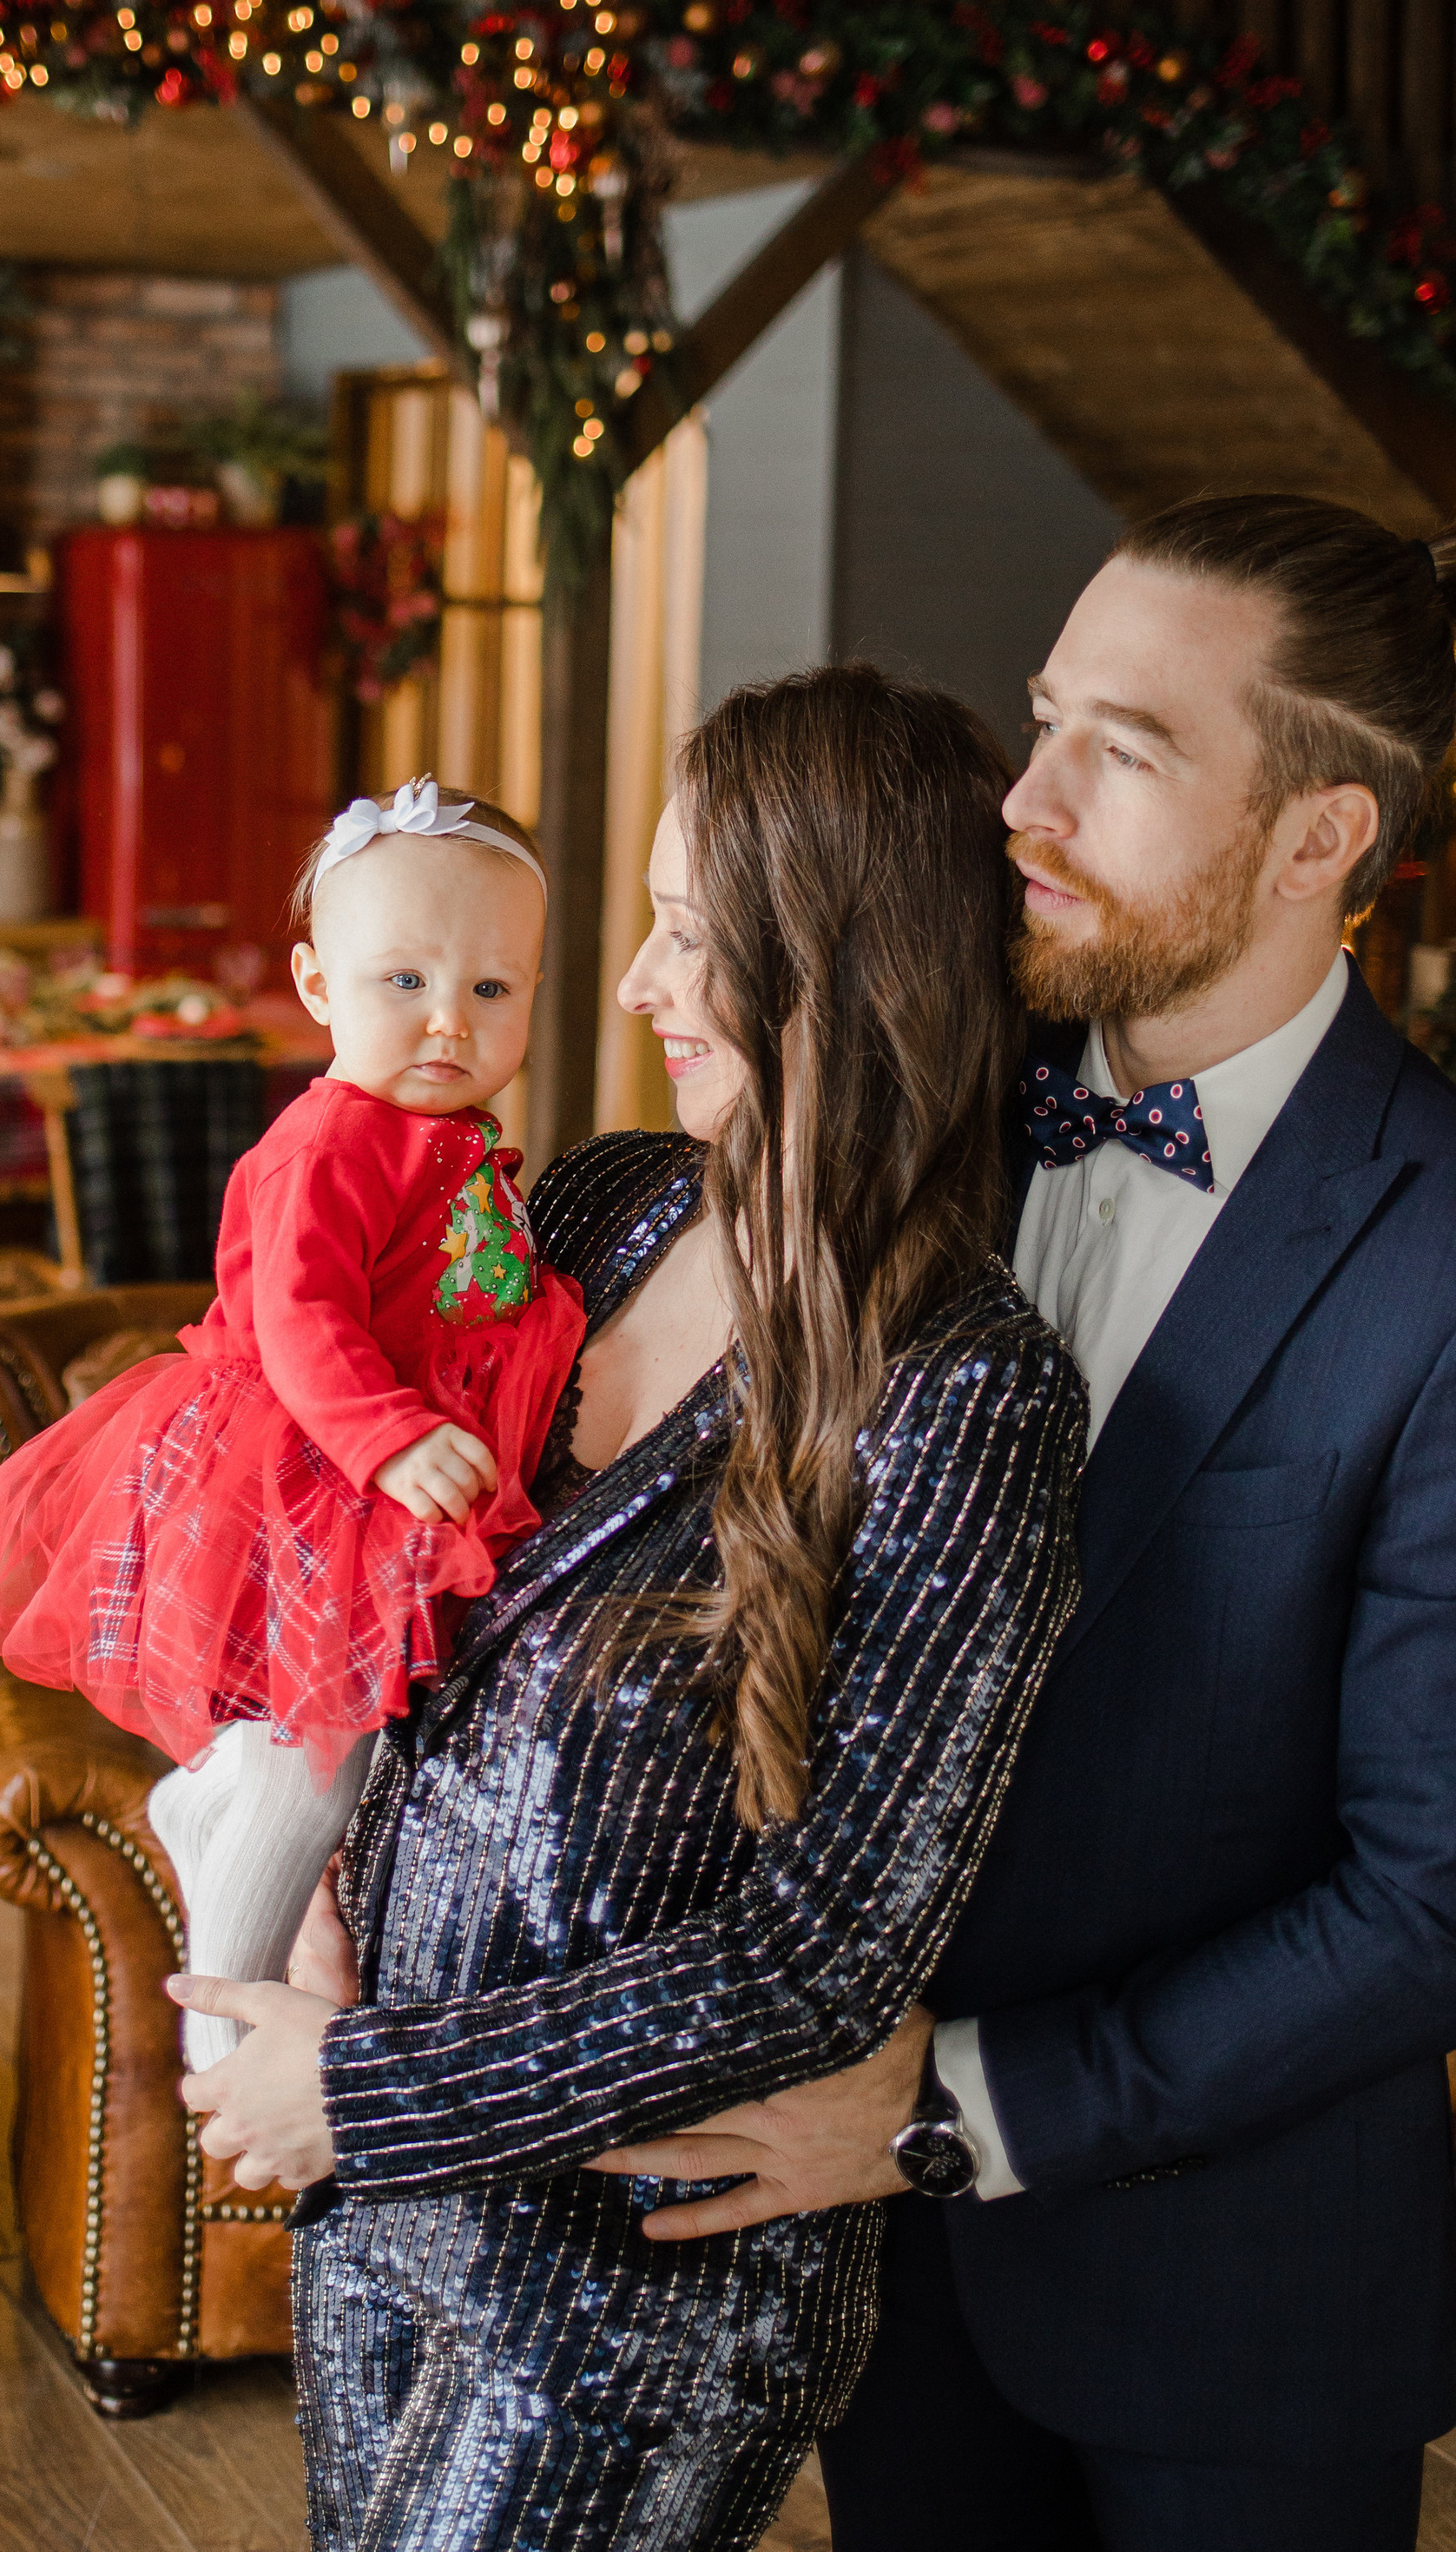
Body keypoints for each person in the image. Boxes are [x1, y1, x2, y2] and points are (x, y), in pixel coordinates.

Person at [596, 498, 1456, 2552]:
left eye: (1122, 750)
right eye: (1044, 715)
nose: (1024, 796)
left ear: (1320, 836)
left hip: (1225, 2304)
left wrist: (937, 2111)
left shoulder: (1438, 1254)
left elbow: (1428, 1890)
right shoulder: (915, 1107)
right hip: (870, 2290)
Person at [169, 668, 1088, 2552]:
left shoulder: (966, 1394)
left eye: (685, 938)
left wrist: (365, 2089)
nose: (627, 990)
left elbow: (828, 1946)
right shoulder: (592, 1205)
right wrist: (317, 1888)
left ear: (837, 977)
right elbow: (329, 1520)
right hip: (380, 2211)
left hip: (626, 2302)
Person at [0, 775, 584, 2068]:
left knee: (325, 1749)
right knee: (317, 1753)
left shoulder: (455, 1144)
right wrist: (391, 1432)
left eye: (492, 991)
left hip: (369, 1484)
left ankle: (206, 1814)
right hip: (299, 1468)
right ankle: (223, 2023)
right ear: (316, 983)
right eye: (404, 982)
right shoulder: (330, 1140)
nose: (449, 1020)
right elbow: (298, 1315)